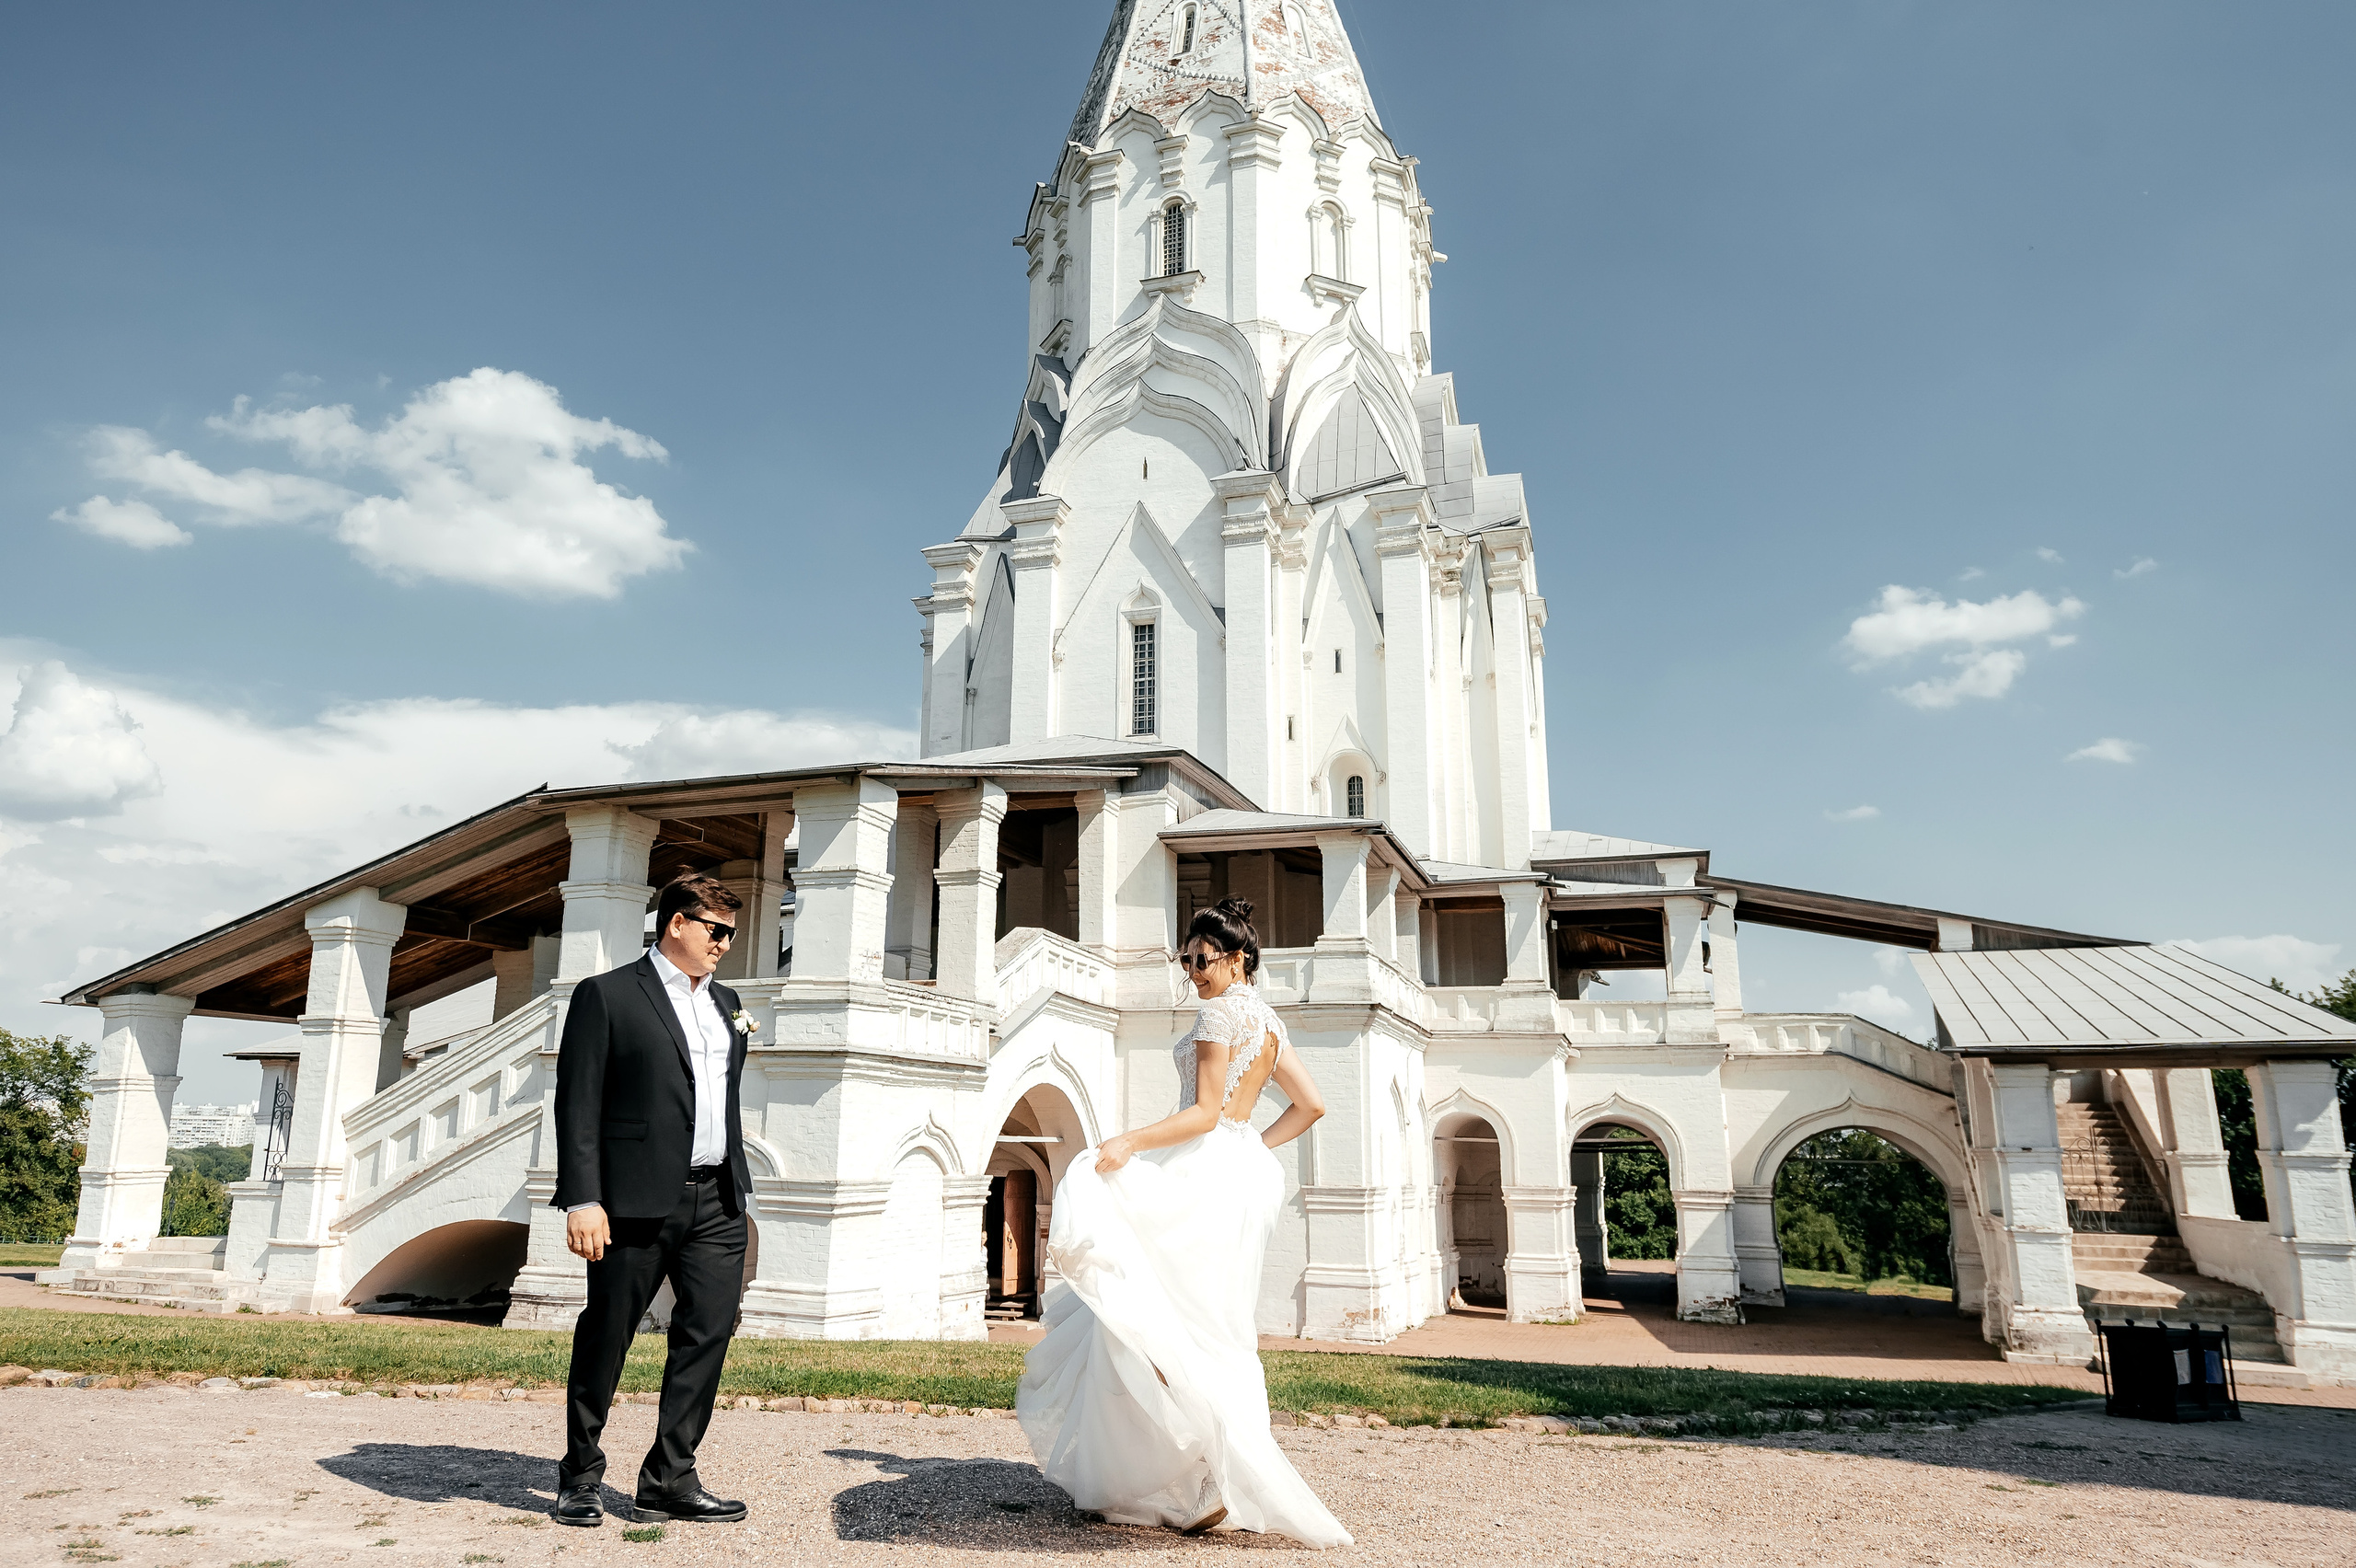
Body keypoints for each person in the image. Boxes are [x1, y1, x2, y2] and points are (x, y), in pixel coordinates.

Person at [1015, 896, 1353, 1548]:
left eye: (1199, 959)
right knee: (1212, 1327)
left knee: (1148, 1314)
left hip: (1202, 1169)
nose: (1191, 971)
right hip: (1240, 1175)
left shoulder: (1220, 1012)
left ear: (1236, 959)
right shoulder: (1269, 1022)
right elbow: (1310, 1106)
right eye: (1184, 959)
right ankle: (1209, 1480)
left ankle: (1196, 1474)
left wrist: (1130, 1142)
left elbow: (1202, 1113)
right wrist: (1252, 1144)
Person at [549, 870, 756, 1528]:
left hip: (718, 1198)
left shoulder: (728, 1004)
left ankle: (669, 1478)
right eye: (716, 930)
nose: (725, 943)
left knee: (708, 1335)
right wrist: (584, 1198)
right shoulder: (607, 995)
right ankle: (579, 1475)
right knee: (608, 1334)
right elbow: (577, 1103)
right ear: (677, 924)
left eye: (730, 932)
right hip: (633, 1202)